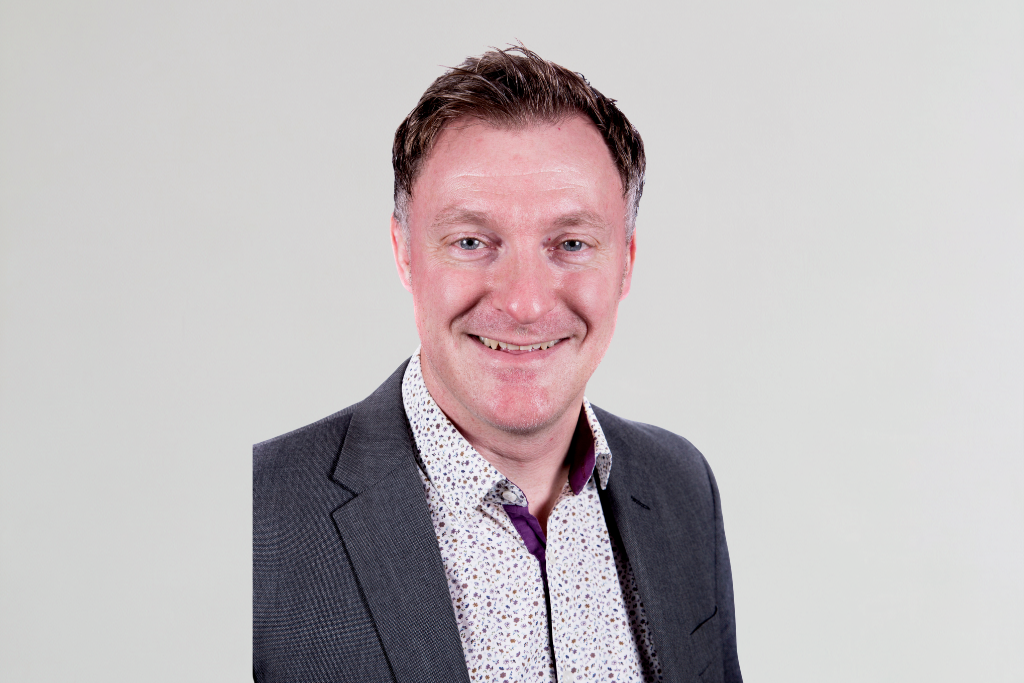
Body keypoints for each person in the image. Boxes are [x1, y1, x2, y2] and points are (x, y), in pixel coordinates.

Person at [254, 46, 741, 683]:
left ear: (625, 262)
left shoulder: (681, 487)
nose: (524, 302)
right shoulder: (257, 517)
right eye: (471, 242)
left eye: (571, 243)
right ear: (404, 253)